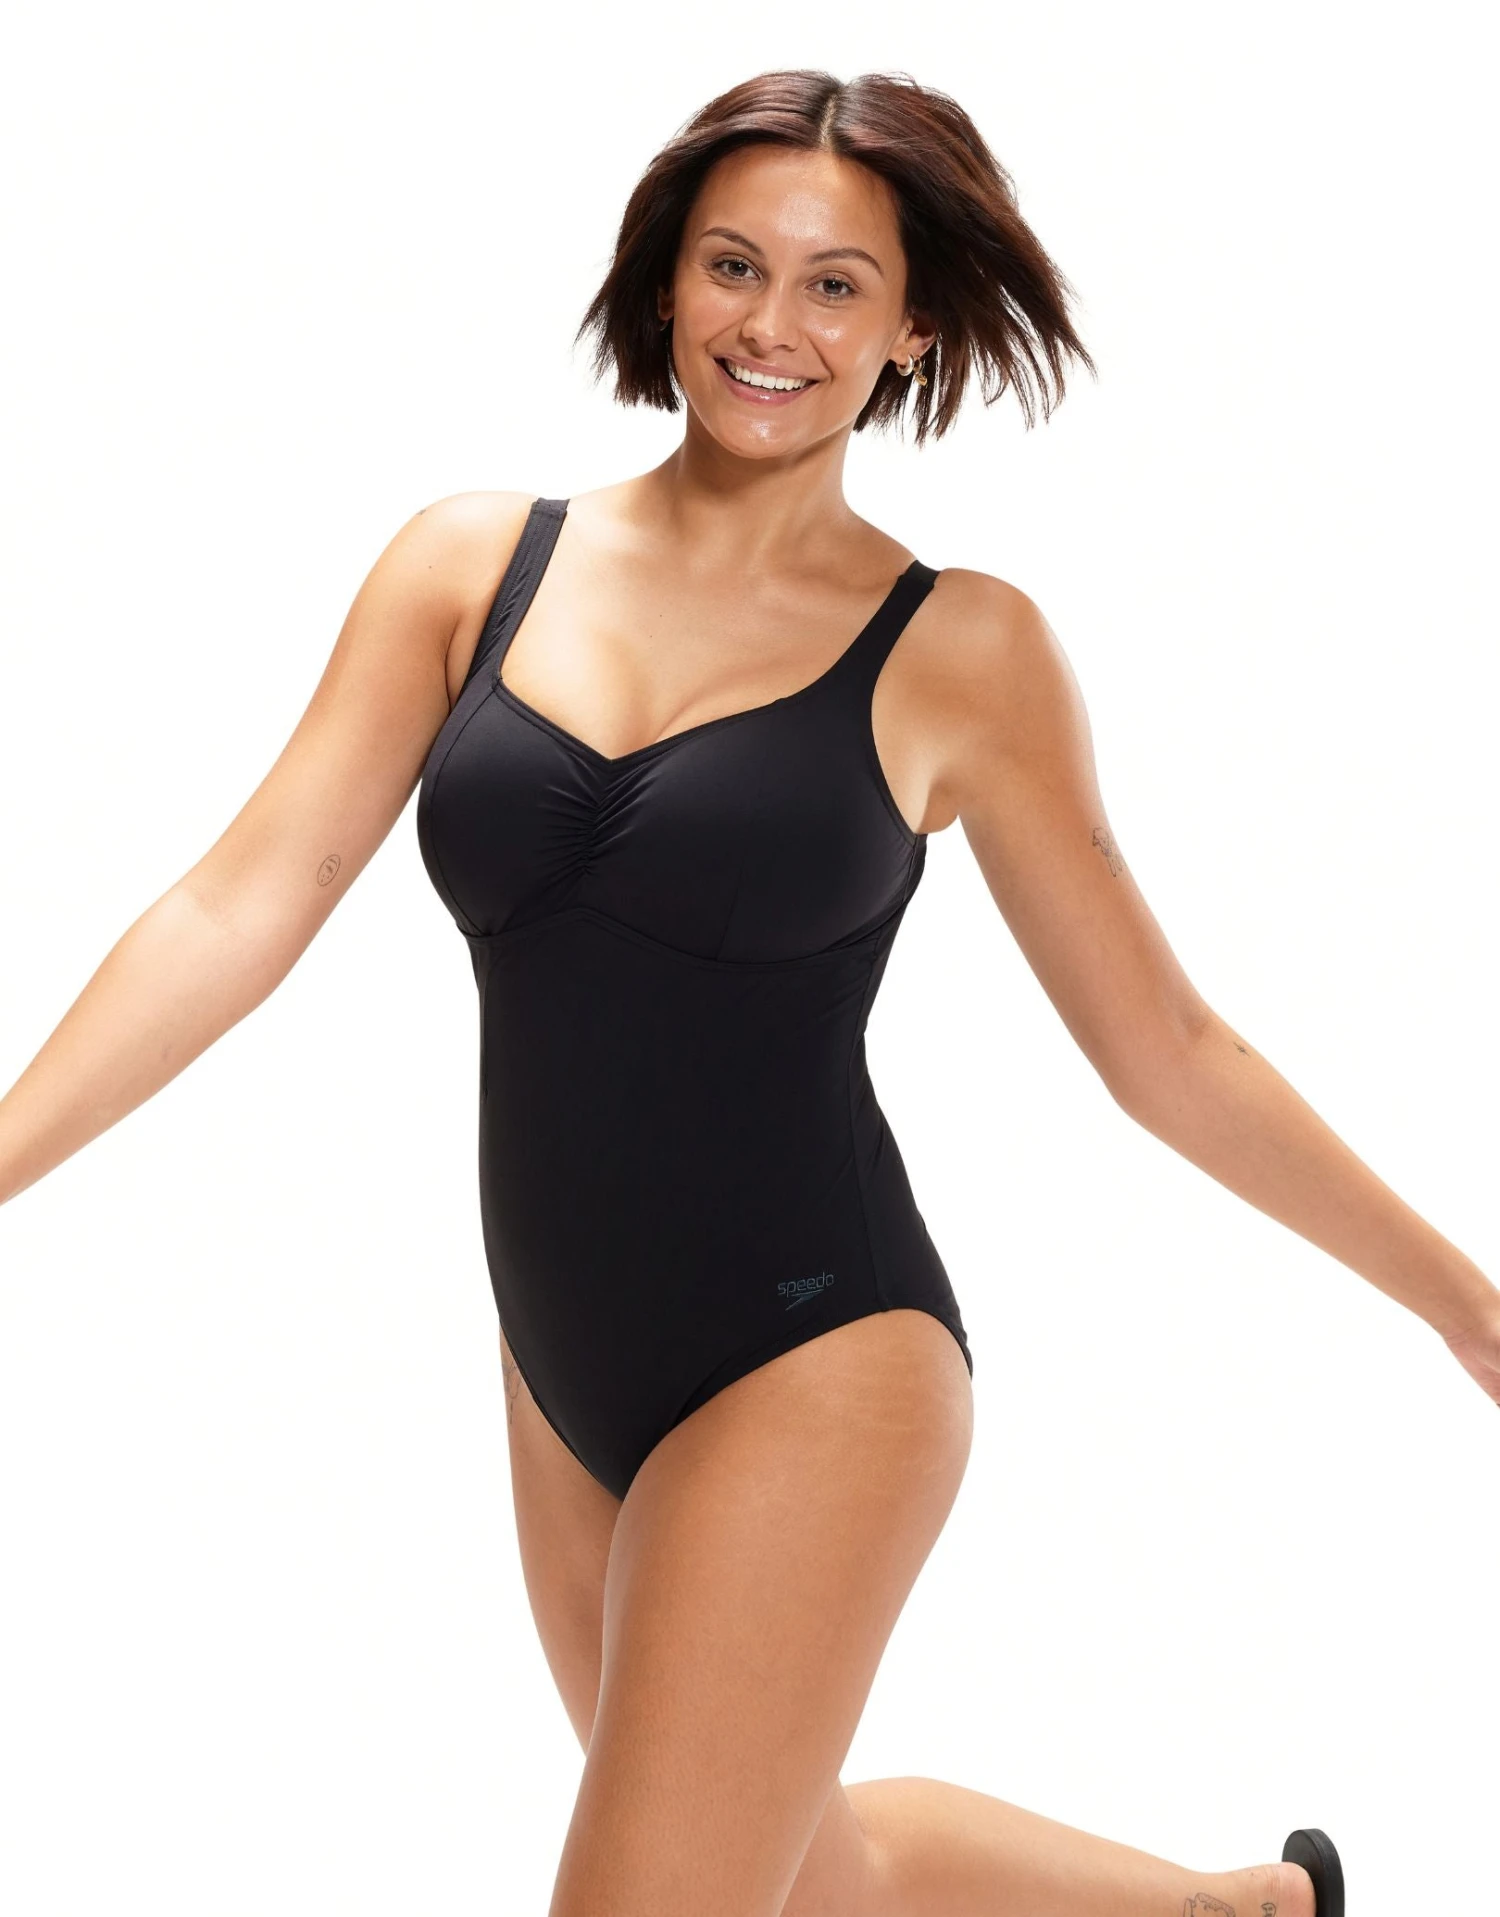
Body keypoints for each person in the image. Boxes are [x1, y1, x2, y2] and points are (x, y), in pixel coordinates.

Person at [2, 65, 1494, 1917]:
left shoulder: (964, 651)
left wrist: (1469, 1306)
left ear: (911, 329)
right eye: (733, 266)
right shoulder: (471, 567)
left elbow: (1170, 1051)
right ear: (666, 283)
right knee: (809, 1880)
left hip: (821, 1354)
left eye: (835, 284)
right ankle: (1232, 1911)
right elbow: (237, 907)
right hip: (564, 1364)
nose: (772, 325)